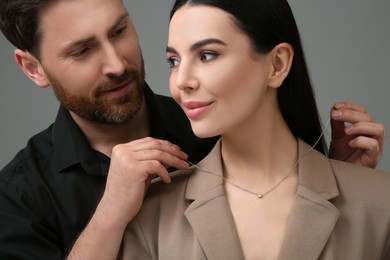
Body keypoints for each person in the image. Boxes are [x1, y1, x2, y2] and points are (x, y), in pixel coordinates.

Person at [0, 0, 385, 259]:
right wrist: (109, 217)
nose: (117, 64)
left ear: (277, 63)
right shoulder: (18, 197)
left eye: (119, 31)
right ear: (33, 68)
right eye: (82, 51)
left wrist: (336, 182)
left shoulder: (216, 116)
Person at [120, 0, 390, 259]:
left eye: (207, 55)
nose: (181, 81)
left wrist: (352, 188)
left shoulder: (380, 203)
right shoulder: (151, 213)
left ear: (277, 64)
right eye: (174, 61)